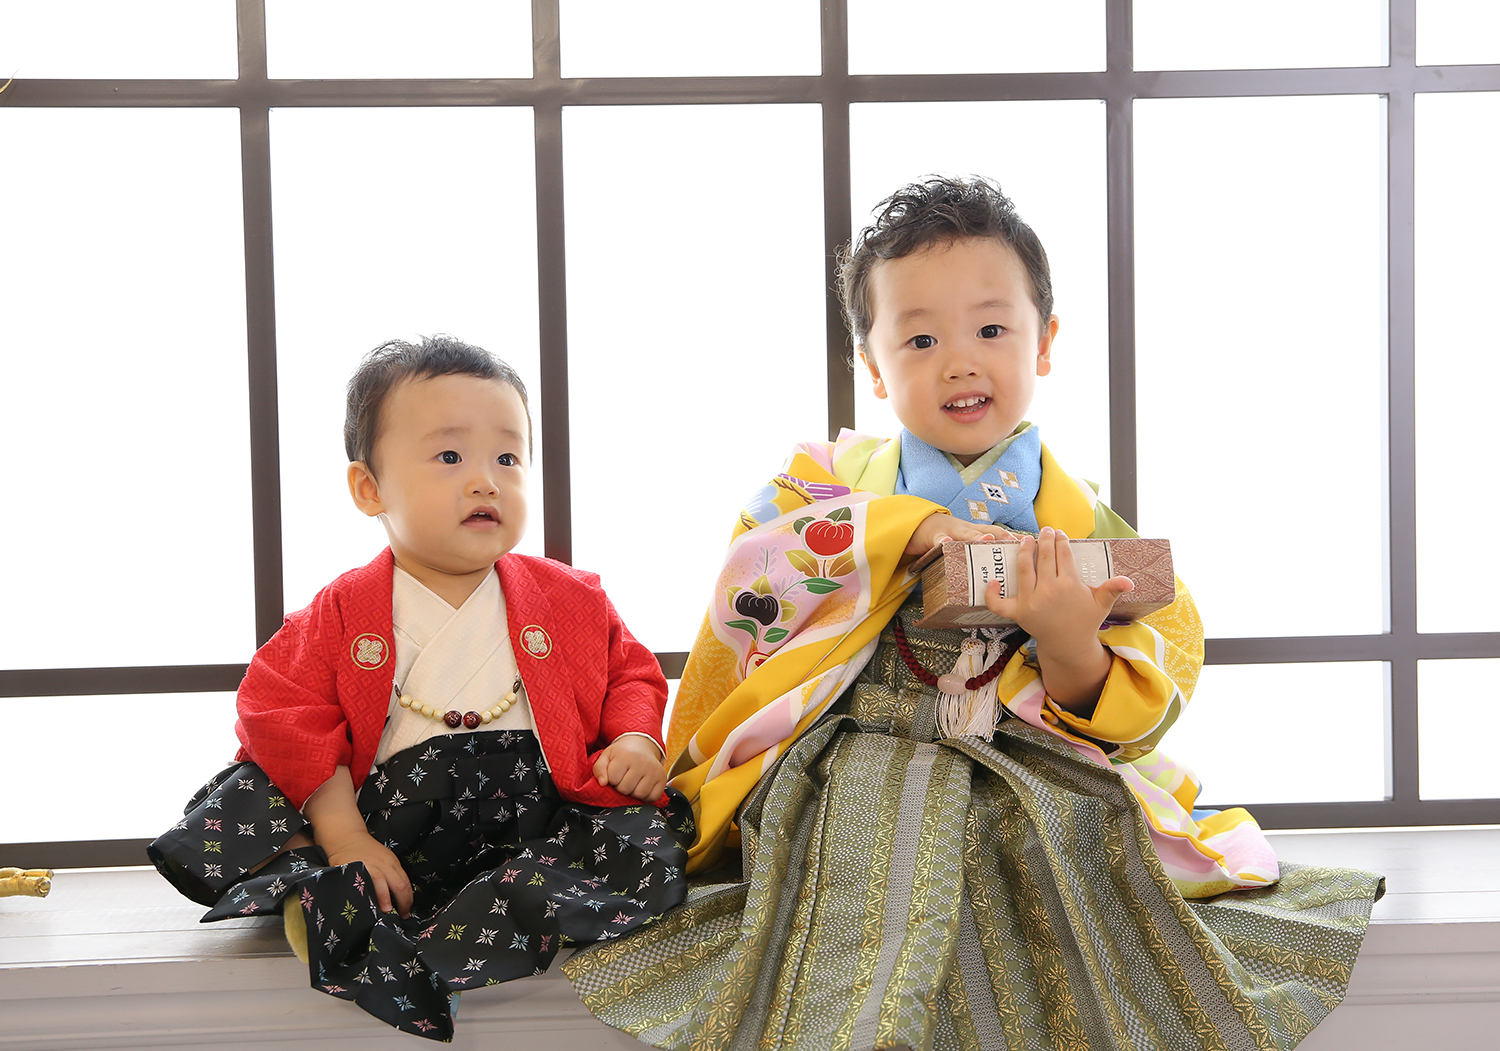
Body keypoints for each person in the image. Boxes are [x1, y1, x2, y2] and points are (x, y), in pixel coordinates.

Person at [563, 177, 1383, 1050]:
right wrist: (908, 528)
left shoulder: (1077, 519)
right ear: (873, 367)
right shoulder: (821, 485)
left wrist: (1069, 642)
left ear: (1045, 341)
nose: (959, 361)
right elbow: (750, 579)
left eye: (991, 330)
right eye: (920, 339)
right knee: (856, 836)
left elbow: (1154, 658)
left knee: (1066, 837)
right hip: (857, 741)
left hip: (1019, 749)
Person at [148, 336, 692, 1042]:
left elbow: (629, 671)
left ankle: (444, 945)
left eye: (508, 458)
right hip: (387, 824)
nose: (486, 481)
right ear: (369, 488)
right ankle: (340, 899)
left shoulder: (570, 598)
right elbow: (282, 712)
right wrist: (345, 834)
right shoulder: (340, 613)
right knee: (260, 802)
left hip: (532, 817)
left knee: (642, 844)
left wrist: (636, 738)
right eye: (450, 456)